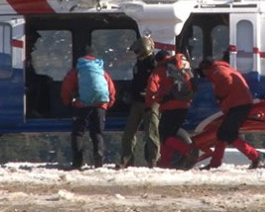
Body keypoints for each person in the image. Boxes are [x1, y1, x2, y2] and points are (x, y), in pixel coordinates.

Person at [197, 58, 265, 169]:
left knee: (228, 134)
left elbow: (226, 80)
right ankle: (215, 163)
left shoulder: (217, 71)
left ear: (206, 69)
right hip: (240, 103)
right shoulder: (223, 68)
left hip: (238, 105)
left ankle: (256, 155)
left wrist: (219, 96)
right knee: (222, 134)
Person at [60, 46, 116, 170]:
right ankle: (99, 158)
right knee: (97, 133)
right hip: (100, 105)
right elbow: (110, 88)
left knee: (78, 133)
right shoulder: (101, 70)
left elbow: (67, 87)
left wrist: (68, 102)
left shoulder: (77, 70)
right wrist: (107, 104)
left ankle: (77, 161)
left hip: (82, 105)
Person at [146, 50, 196, 169]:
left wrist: (149, 103)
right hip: (185, 105)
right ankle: (164, 163)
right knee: (169, 134)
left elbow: (151, 87)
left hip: (170, 107)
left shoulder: (160, 69)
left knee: (165, 135)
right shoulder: (181, 66)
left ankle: (188, 150)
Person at [116, 37, 160, 169]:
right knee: (129, 133)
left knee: (151, 133)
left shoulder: (154, 63)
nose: (136, 53)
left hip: (150, 102)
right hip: (137, 101)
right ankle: (126, 159)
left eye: (137, 51)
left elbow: (157, 82)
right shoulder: (139, 63)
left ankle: (153, 161)